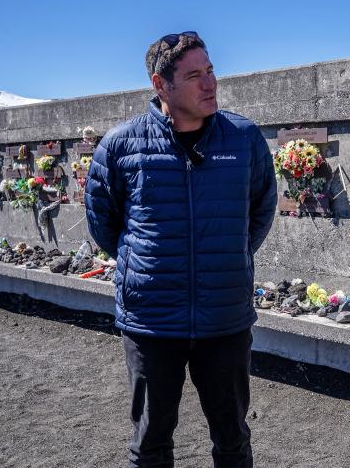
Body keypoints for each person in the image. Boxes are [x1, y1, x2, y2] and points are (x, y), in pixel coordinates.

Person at [85, 31, 277, 467]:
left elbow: (260, 209)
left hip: (224, 319)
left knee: (232, 438)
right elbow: (104, 221)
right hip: (152, 320)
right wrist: (146, 264)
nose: (209, 84)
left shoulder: (243, 139)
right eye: (194, 76)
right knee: (151, 440)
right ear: (160, 84)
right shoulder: (120, 145)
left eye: (211, 71)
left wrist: (228, 259)